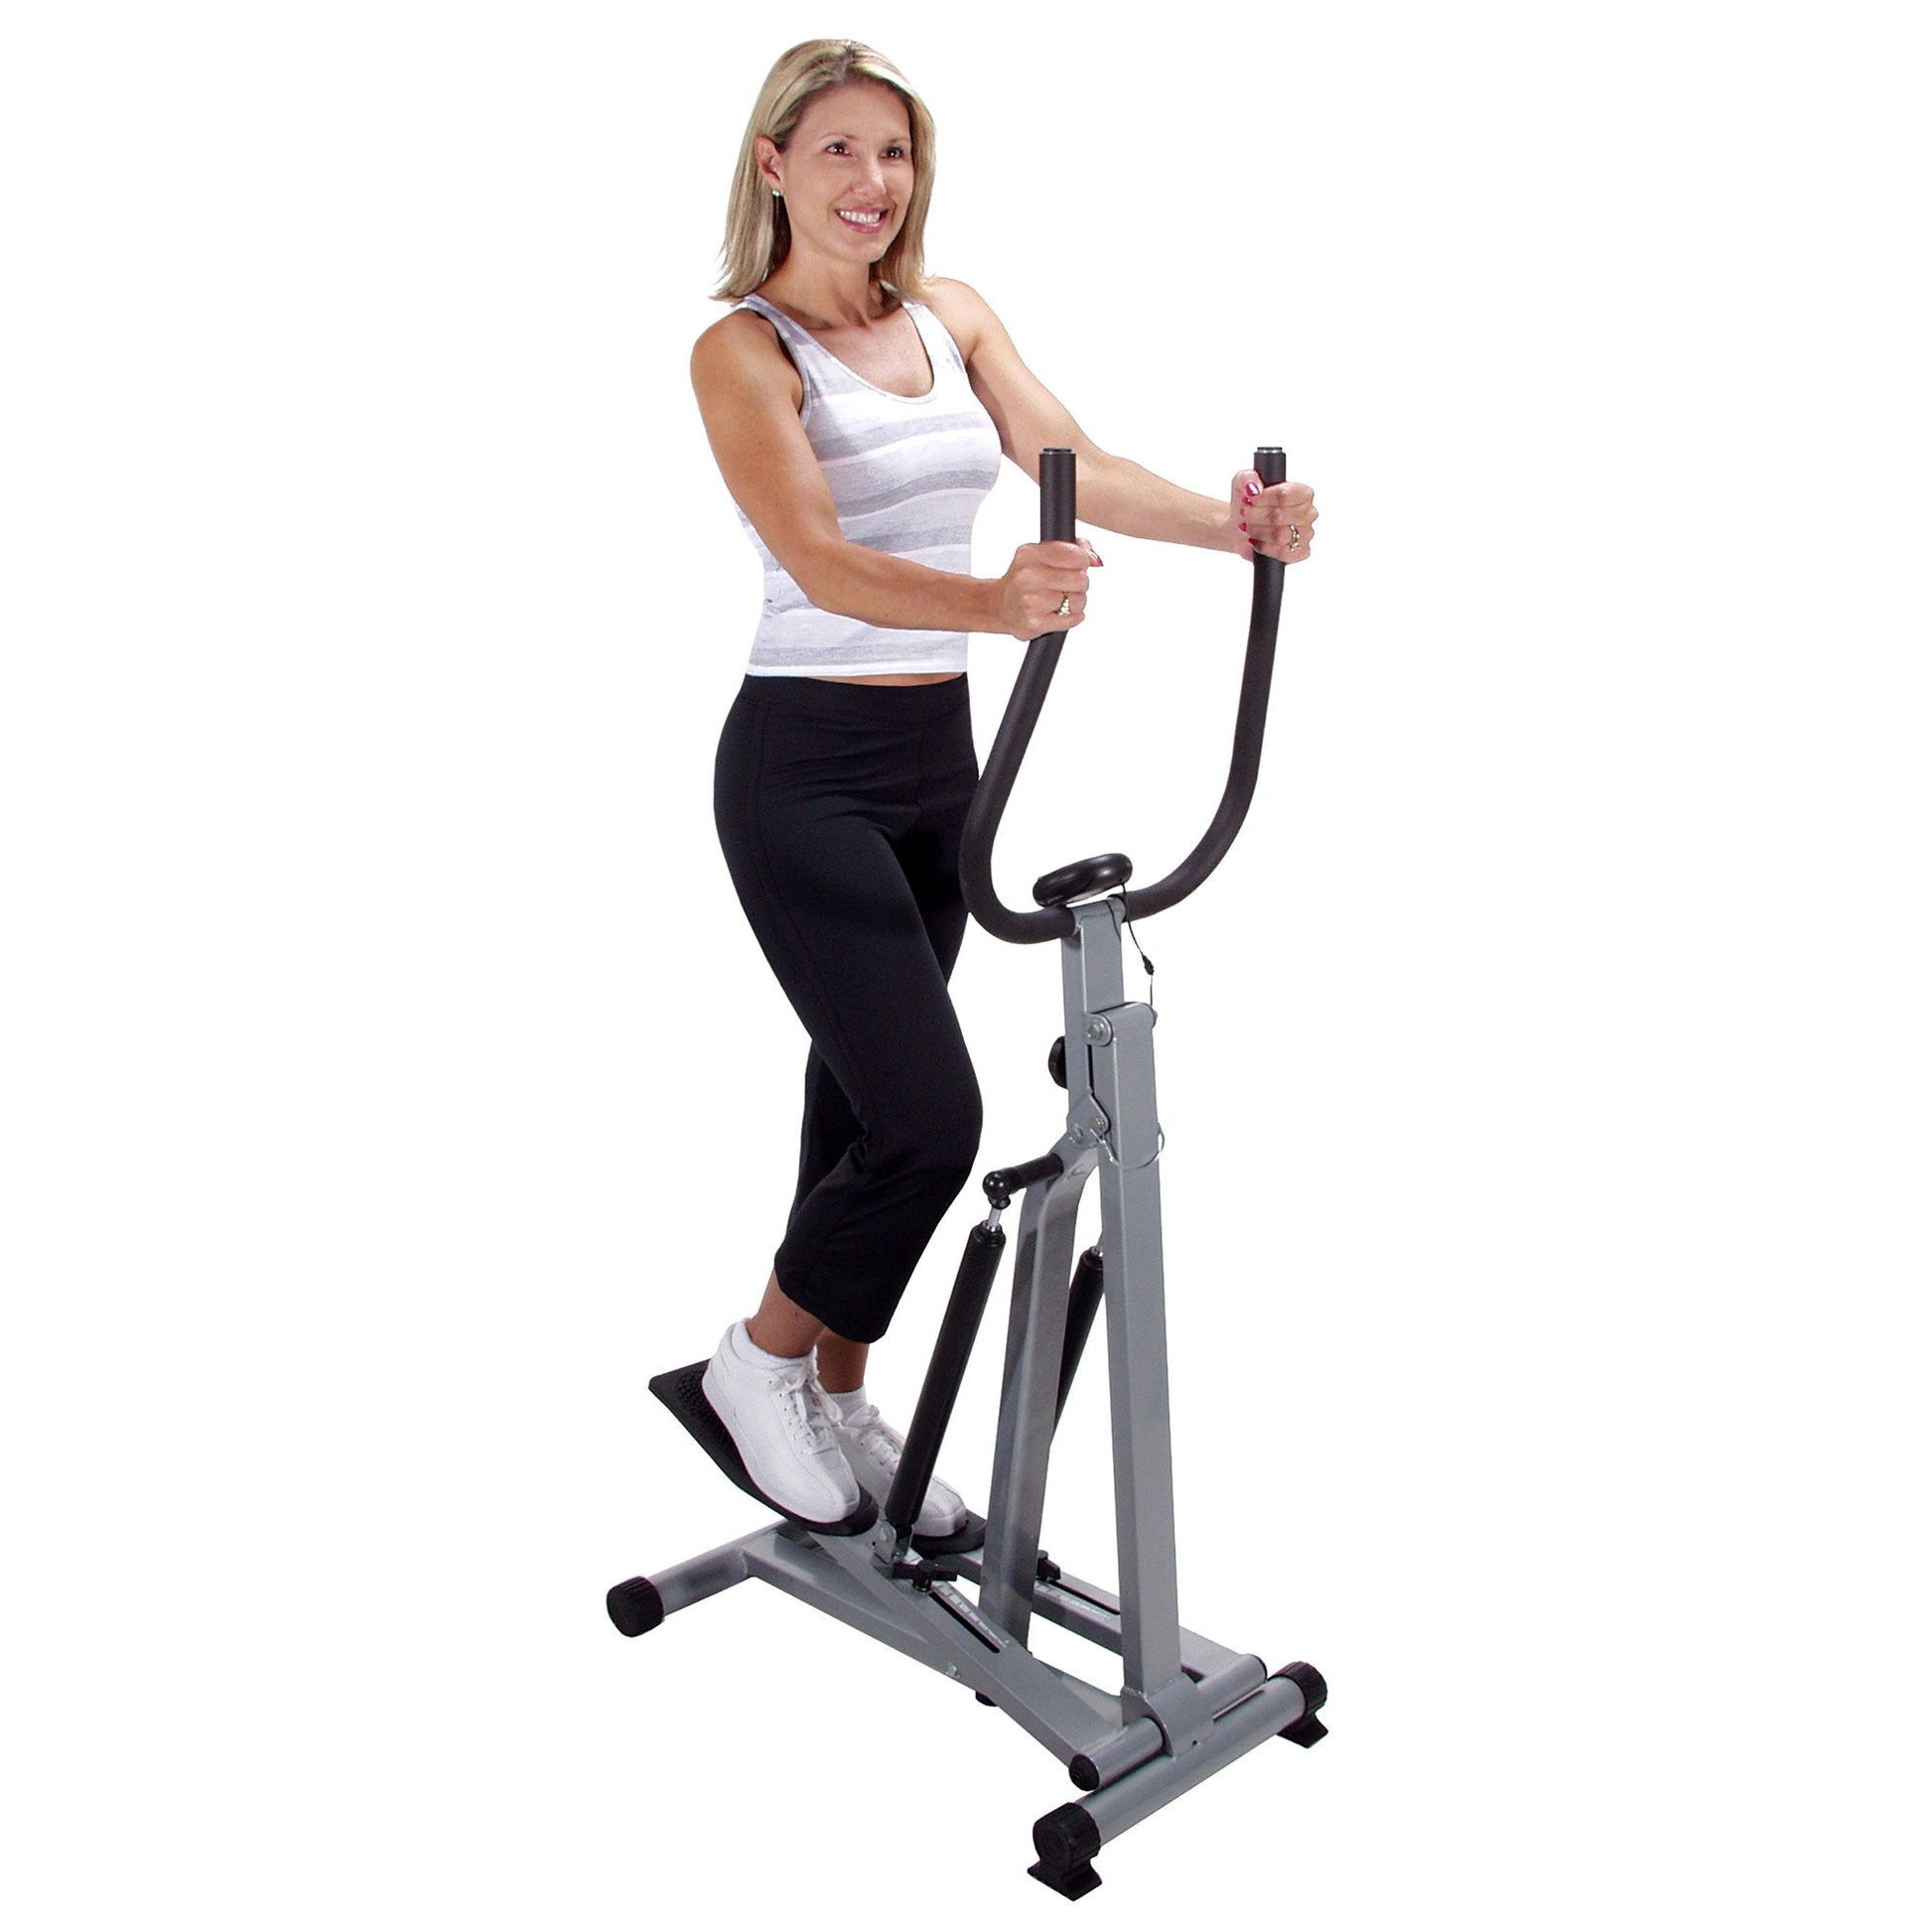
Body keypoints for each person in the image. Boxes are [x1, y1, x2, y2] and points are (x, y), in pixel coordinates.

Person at [690, 39, 1316, 1538]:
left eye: (894, 152)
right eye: (837, 150)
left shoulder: (949, 314)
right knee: (930, 1119)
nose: (871, 182)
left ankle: (838, 1391)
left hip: (937, 766)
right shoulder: (743, 350)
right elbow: (817, 557)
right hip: (801, 770)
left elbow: (1069, 459)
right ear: (772, 163)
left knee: (858, 1104)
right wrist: (993, 603)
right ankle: (755, 1361)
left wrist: (1232, 527)